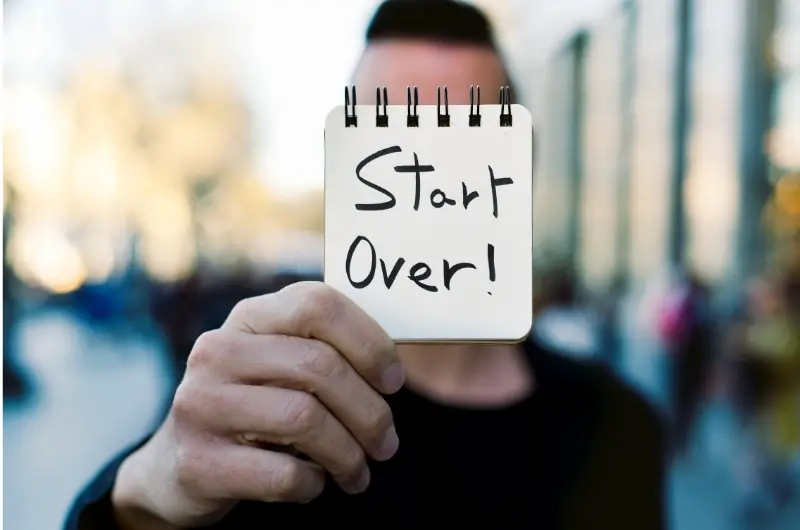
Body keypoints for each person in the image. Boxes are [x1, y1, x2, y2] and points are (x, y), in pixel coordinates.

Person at [66, 2, 666, 528]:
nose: (425, 167)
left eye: (467, 129)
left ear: (521, 169)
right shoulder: (265, 399)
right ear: (345, 171)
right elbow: (159, 496)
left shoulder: (620, 428)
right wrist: (148, 492)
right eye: (393, 126)